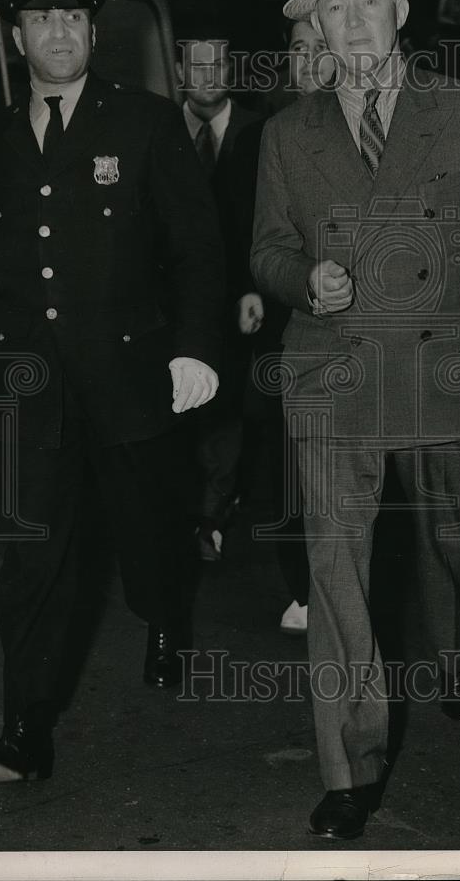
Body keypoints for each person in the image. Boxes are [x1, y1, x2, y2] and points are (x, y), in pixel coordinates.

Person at [250, 0, 460, 840]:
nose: (353, 22)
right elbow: (266, 247)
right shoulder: (285, 132)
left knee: (458, 545)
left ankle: (458, 653)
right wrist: (304, 280)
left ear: (401, 12)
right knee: (335, 575)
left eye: (369, 2)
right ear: (315, 26)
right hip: (335, 374)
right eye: (333, 9)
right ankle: (352, 766)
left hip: (447, 361)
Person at [0, 0, 224, 783]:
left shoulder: (146, 122)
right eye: (42, 18)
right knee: (33, 558)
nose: (59, 32)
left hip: (129, 376)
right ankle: (22, 730)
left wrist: (194, 347)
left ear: (91, 29)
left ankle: (162, 617)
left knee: (148, 532)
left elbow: (196, 250)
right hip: (31, 387)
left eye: (72, 17)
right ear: (18, 33)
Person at [232, 17, 335, 634]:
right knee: (285, 458)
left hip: (358, 330)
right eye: (298, 48)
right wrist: (248, 288)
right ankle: (302, 583)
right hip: (283, 325)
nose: (309, 58)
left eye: (320, 46)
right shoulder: (260, 138)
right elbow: (236, 229)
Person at [176, 37, 260, 561]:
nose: (208, 75)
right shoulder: (157, 128)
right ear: (179, 71)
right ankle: (192, 513)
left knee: (230, 408)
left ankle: (214, 513)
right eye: (196, 65)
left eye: (218, 64)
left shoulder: (263, 129)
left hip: (243, 302)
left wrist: (253, 288)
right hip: (176, 304)